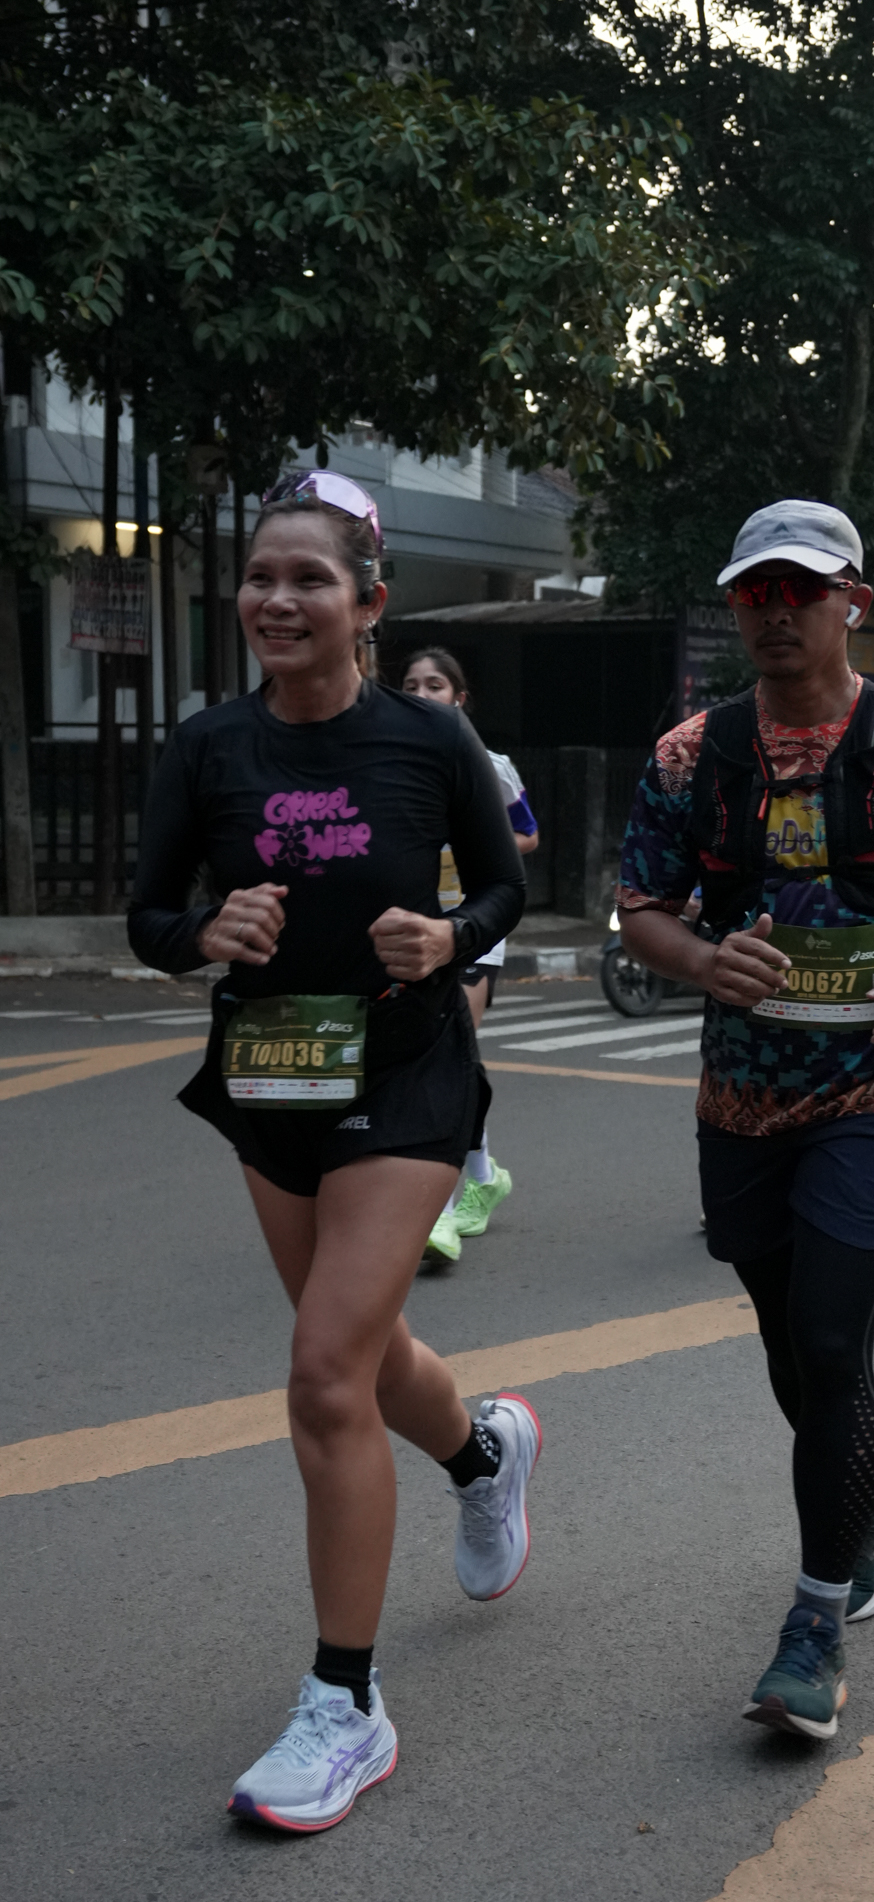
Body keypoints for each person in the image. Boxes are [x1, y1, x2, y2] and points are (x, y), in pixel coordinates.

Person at [127, 469, 541, 1832]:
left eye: (310, 578)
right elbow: (149, 915)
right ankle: (484, 1456)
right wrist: (204, 935)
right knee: (358, 1346)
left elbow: (506, 885)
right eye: (261, 575)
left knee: (320, 1373)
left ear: (369, 605)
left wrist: (449, 938)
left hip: (407, 1072)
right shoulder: (208, 748)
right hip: (271, 1076)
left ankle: (345, 1705)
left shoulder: (429, 739)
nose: (277, 598)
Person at [617, 499, 874, 1741]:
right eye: (754, 593)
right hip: (739, 1094)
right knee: (787, 1352)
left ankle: (811, 1627)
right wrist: (703, 961)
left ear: (850, 600)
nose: (775, 614)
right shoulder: (690, 755)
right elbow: (639, 907)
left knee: (829, 1335)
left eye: (799, 591)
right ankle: (870, 1497)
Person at [402, 648, 539, 1265]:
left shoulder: (490, 766)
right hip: (408, 930)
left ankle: (440, 1208)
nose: (422, 694)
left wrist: (476, 838)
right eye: (411, 685)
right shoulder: (389, 766)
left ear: (459, 698)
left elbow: (528, 835)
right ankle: (482, 1176)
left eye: (435, 685)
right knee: (429, 1062)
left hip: (473, 927)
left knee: (447, 1056)